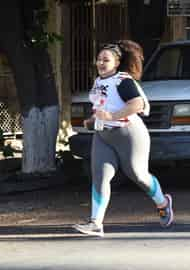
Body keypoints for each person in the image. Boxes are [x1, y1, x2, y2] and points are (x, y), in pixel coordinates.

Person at [73, 40, 174, 237]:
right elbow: (103, 108)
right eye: (99, 59)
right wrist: (92, 120)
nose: (101, 63)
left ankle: (163, 203)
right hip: (103, 135)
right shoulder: (99, 81)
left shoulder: (123, 80)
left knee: (138, 175)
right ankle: (96, 222)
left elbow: (136, 104)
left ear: (117, 62)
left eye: (106, 60)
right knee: (100, 177)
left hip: (129, 134)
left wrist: (110, 117)